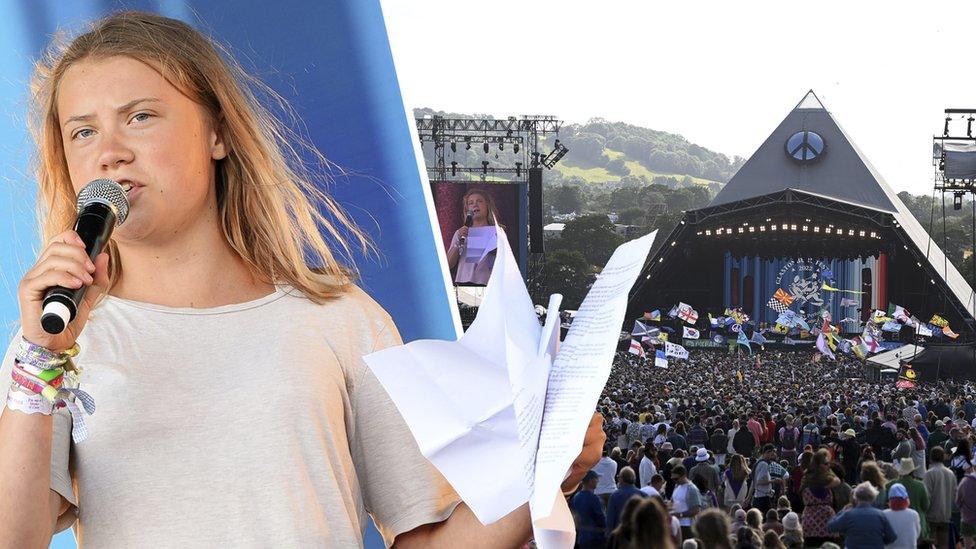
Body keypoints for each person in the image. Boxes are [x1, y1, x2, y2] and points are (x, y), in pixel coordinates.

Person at [0, 11, 606, 548]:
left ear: (218, 134)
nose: (109, 151)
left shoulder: (338, 317)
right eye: (82, 131)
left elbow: (423, 538)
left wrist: (544, 468)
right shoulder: (53, 339)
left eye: (140, 117)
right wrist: (40, 358)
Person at [446, 188, 501, 285]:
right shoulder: (461, 233)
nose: (475, 204)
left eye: (479, 201)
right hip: (463, 284)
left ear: (487, 206)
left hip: (487, 284)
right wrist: (458, 242)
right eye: (470, 203)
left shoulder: (497, 232)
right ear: (467, 210)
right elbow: (448, 265)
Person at [826, 481, 897, 548]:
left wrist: (842, 511)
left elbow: (830, 527)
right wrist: (880, 542)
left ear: (856, 496)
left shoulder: (849, 514)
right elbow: (892, 537)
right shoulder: (880, 515)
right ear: (873, 497)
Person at [886, 457, 931, 540]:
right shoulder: (920, 485)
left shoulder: (891, 485)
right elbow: (926, 506)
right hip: (918, 526)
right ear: (913, 471)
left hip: (896, 526)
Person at [923, 446, 957, 548]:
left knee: (931, 544)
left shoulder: (929, 474)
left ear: (931, 458)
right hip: (946, 515)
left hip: (931, 515)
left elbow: (926, 496)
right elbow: (955, 494)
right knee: (943, 545)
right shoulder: (950, 473)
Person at [570, 471, 607, 549]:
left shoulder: (575, 498)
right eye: (596, 479)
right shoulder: (595, 499)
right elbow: (601, 519)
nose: (598, 481)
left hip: (581, 538)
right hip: (595, 538)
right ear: (590, 481)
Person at [606, 466, 647, 534]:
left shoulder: (614, 496)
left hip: (620, 536)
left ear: (622, 479)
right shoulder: (644, 495)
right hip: (639, 536)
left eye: (618, 477)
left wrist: (609, 537)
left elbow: (610, 520)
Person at [882, 483, 921, 549]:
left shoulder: (884, 514)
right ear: (906, 498)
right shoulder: (914, 514)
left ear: (890, 499)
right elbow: (917, 533)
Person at [670, 464, 703, 542]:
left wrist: (680, 515)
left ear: (684, 476)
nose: (675, 481)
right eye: (673, 479)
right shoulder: (677, 486)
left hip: (687, 526)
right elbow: (672, 502)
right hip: (676, 525)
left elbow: (696, 510)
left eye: (676, 479)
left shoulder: (691, 489)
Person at [957, 468, 976, 549]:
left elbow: (958, 500)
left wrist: (963, 509)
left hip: (967, 519)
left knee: (968, 546)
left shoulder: (965, 481)